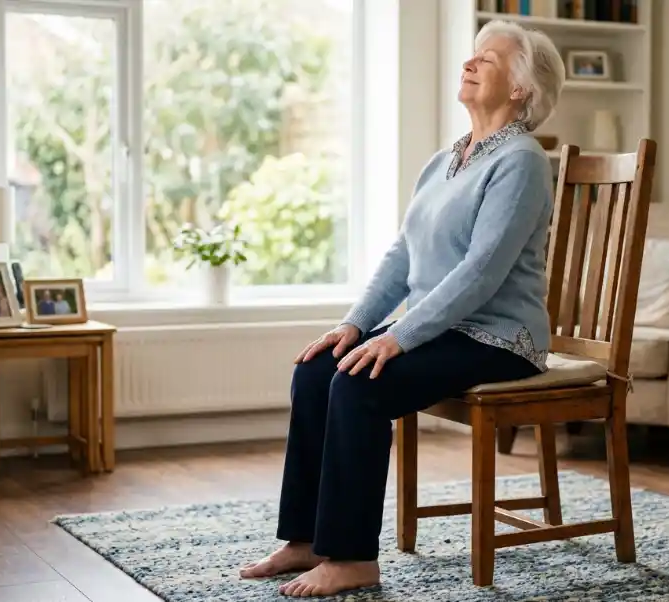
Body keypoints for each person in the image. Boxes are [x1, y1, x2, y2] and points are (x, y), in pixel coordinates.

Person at [237, 19, 567, 599]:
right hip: (443, 330)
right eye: (473, 55)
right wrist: (355, 324)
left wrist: (400, 337)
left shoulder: (522, 161)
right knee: (318, 369)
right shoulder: (444, 160)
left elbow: (482, 271)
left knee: (361, 383)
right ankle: (308, 538)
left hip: (499, 337)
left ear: (520, 89)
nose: (470, 64)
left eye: (488, 60)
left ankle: (354, 558)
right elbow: (402, 254)